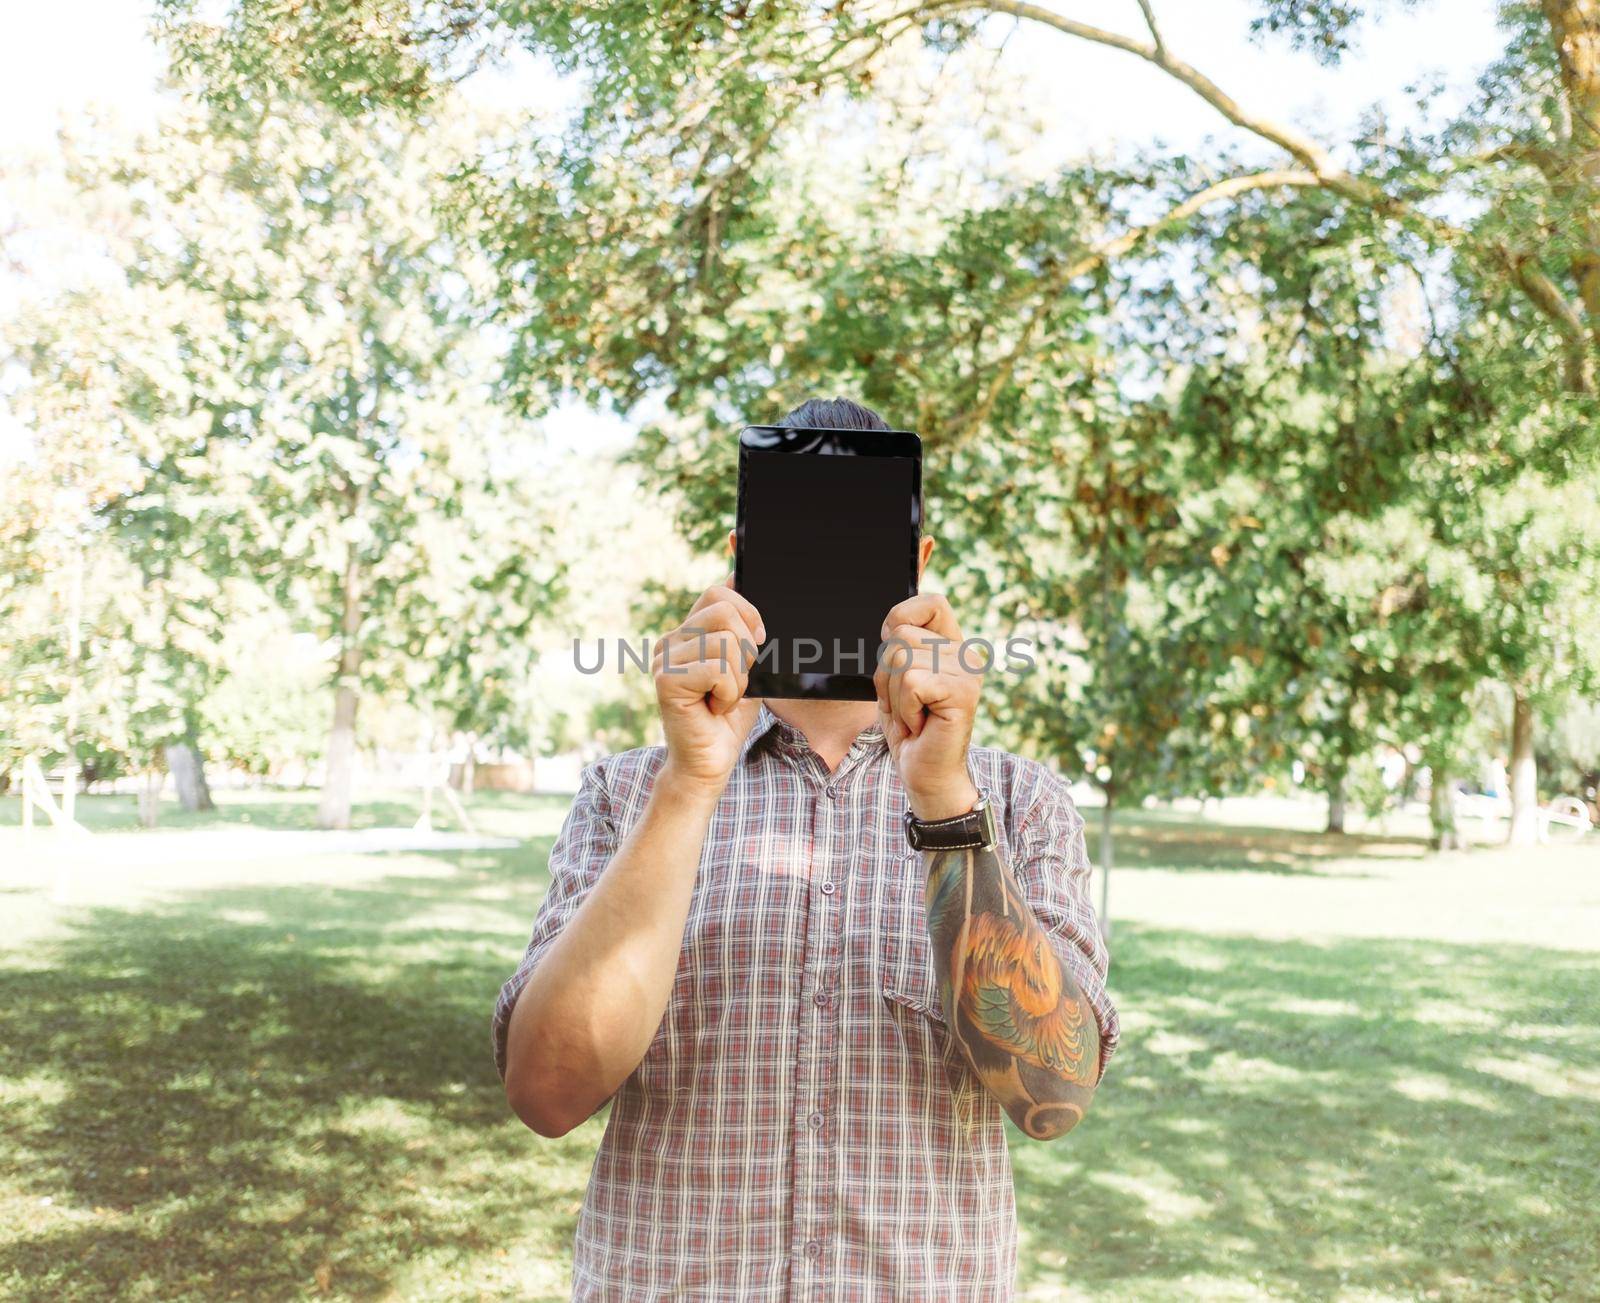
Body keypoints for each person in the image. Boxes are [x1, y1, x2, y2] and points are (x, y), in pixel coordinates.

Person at [493, 397, 1118, 1299]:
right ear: (743, 558)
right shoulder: (630, 792)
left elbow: (1052, 1095)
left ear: (920, 568)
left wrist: (944, 801)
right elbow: (546, 1093)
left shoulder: (1017, 803)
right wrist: (689, 784)